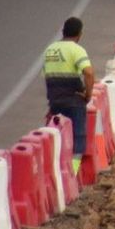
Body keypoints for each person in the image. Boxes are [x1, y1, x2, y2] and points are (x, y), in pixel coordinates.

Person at [42, 16, 94, 175]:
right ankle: (72, 173)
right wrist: (87, 94)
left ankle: (56, 172)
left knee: (57, 138)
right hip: (74, 100)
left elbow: (47, 76)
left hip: (55, 101)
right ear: (79, 34)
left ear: (63, 32)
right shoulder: (76, 49)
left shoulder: (50, 50)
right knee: (78, 139)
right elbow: (89, 73)